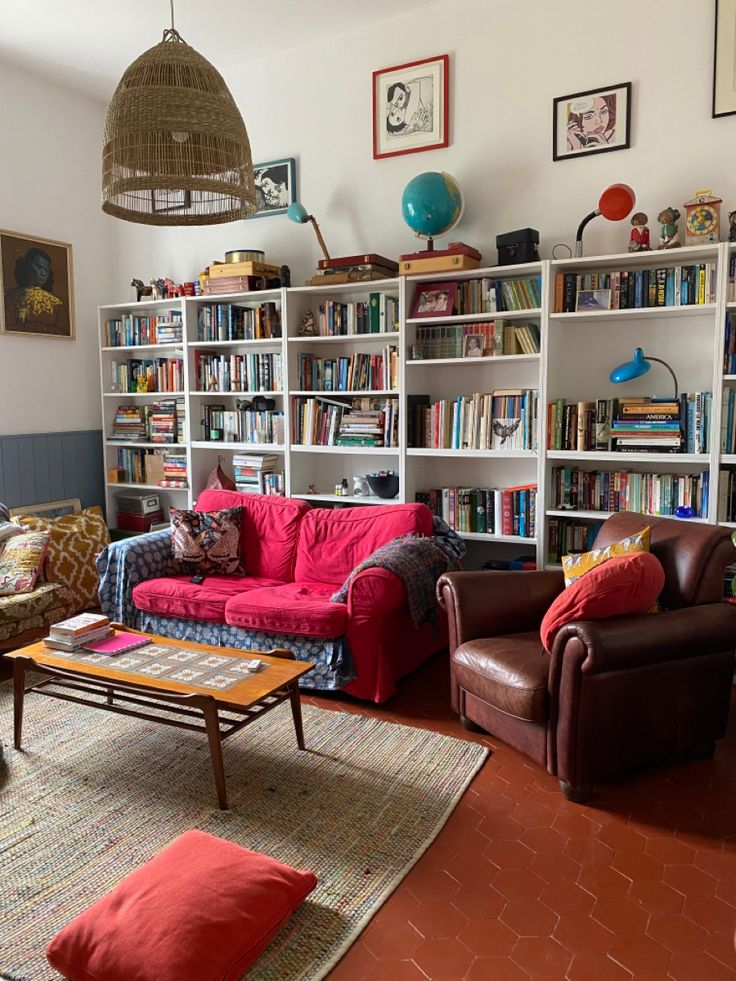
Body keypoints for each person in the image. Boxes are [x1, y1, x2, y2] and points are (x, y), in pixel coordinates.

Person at [3, 246, 67, 334]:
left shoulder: (56, 304)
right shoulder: (10, 298)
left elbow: (63, 332)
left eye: (46, 270)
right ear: (28, 266)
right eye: (39, 267)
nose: (43, 273)